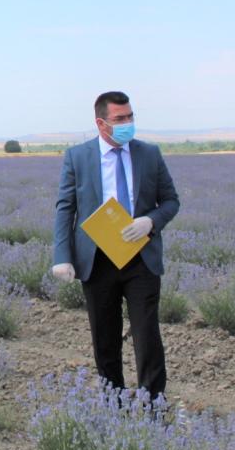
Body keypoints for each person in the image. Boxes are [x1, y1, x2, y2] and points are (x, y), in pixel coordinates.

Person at [52, 90, 181, 400]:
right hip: (97, 260)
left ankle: (153, 405)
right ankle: (114, 404)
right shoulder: (78, 157)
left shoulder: (149, 154)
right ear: (101, 123)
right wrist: (62, 256)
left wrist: (150, 222)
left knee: (146, 334)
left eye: (130, 117)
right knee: (105, 337)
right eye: (119, 119)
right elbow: (65, 208)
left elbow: (171, 201)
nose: (127, 123)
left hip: (141, 258)